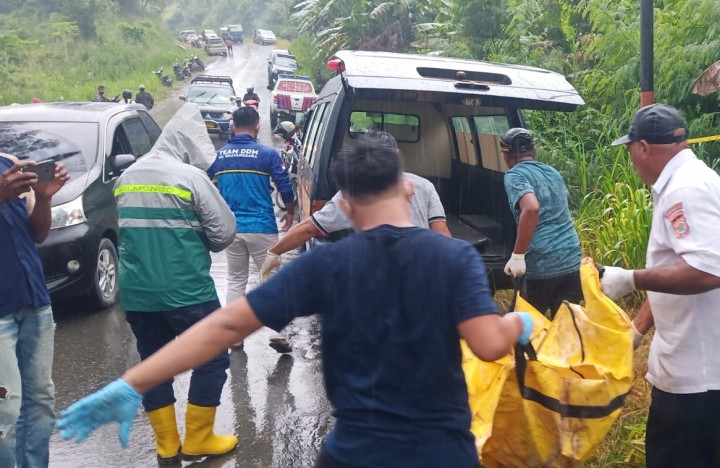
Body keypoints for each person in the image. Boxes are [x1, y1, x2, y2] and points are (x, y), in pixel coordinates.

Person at [56, 134, 535, 467]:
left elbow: (224, 328)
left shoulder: (324, 266)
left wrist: (133, 382)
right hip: (440, 455)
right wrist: (519, 327)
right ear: (408, 188)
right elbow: (488, 344)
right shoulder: (454, 259)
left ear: (344, 206)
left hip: (353, 454)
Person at [600, 103, 720, 468]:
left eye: (630, 149)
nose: (631, 159)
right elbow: (675, 265)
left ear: (644, 147)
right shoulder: (685, 180)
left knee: (675, 458)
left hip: (706, 361)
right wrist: (639, 328)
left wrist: (630, 279)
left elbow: (709, 269)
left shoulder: (687, 190)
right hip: (706, 351)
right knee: (694, 455)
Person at [106, 103, 238, 465]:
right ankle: (199, 439)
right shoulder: (190, 178)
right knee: (211, 360)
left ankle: (167, 446)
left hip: (137, 295)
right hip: (188, 292)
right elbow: (224, 232)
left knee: (154, 362)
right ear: (185, 148)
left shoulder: (126, 178)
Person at [260, 131, 450, 282]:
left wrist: (275, 251)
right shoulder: (424, 185)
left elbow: (310, 227)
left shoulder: (355, 190)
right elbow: (441, 234)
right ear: (397, 156)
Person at [0, 154, 69, 468]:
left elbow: (37, 234)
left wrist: (43, 199)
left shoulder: (7, 163)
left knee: (40, 402)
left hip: (34, 301)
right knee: (5, 411)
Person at [208, 106, 295, 351]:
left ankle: (234, 338)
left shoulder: (218, 156)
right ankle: (277, 334)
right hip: (262, 228)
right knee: (270, 279)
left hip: (231, 229)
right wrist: (290, 210)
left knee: (235, 281)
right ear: (257, 126)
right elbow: (284, 185)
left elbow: (206, 188)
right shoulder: (267, 154)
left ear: (233, 126)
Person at [499, 127, 583, 317]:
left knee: (527, 328)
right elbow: (566, 200)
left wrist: (518, 256)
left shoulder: (514, 175)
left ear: (506, 155)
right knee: (567, 327)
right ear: (534, 150)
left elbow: (531, 207)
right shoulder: (551, 171)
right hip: (571, 259)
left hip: (542, 263)